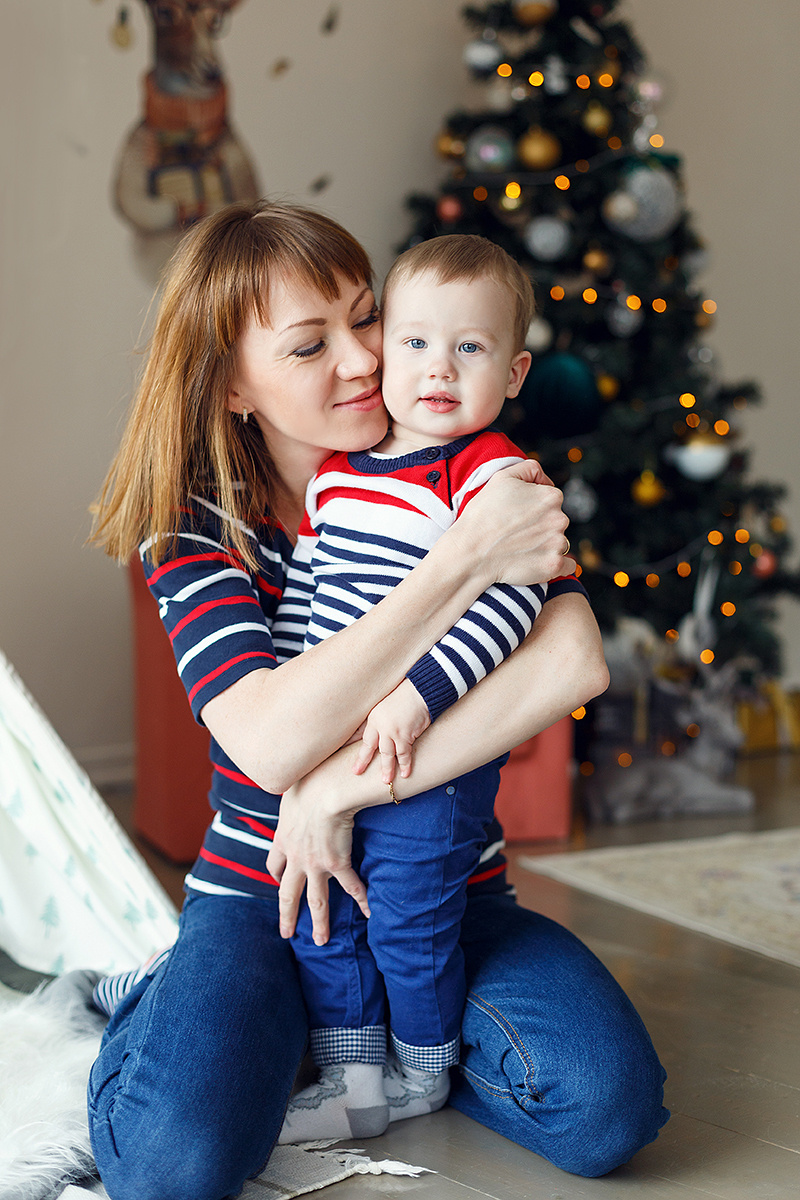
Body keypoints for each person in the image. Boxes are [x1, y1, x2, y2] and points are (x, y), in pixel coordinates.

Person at [87, 200, 668, 1200]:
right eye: (311, 344)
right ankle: (185, 1004)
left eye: (366, 317)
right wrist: (457, 565)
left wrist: (335, 797)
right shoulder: (190, 530)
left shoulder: (469, 464)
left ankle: (363, 1041)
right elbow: (268, 743)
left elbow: (570, 662)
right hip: (263, 897)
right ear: (233, 385)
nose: (364, 360)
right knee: (172, 1166)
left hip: (445, 885)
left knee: (604, 1107)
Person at [271, 234, 564, 1144]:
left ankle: (425, 1069)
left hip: (430, 759)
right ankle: (355, 1075)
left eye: (470, 349)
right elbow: (309, 605)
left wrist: (419, 694)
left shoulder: (491, 475)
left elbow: (507, 615)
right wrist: (292, 709)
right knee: (325, 917)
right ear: (384, 350)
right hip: (335, 746)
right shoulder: (337, 477)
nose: (440, 369)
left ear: (513, 373)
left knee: (407, 918)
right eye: (416, 342)